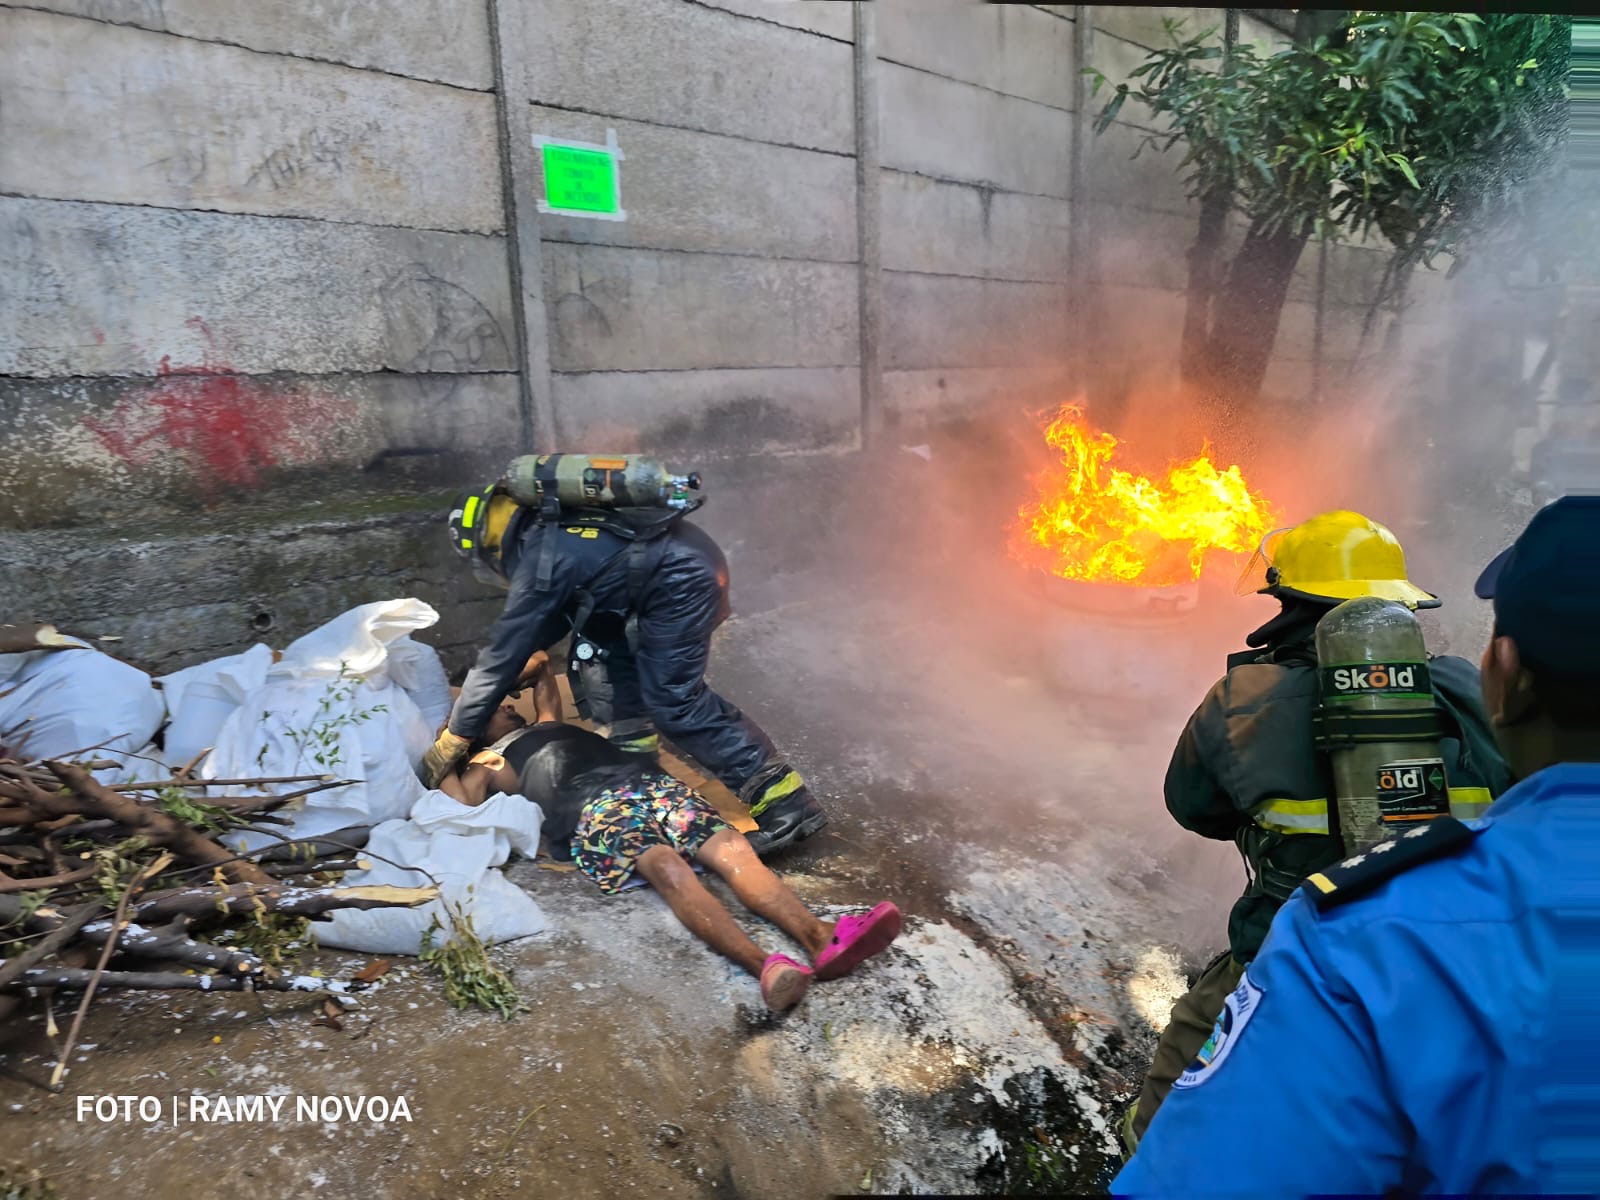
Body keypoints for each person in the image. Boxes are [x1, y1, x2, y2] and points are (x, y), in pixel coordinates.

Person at [1115, 494, 1600, 1195]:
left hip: (1279, 945)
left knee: (1175, 1084)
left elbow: (1194, 808)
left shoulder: (1244, 702)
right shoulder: (1459, 687)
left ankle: (1133, 1150)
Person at [437, 654, 901, 1012]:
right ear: (473, 728)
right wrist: (450, 733)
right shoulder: (486, 761)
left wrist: (505, 674)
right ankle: (766, 967)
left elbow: (541, 666)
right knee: (668, 867)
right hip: (594, 811)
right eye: (493, 708)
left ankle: (819, 936)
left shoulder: (546, 722)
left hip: (646, 782)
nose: (504, 706)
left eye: (501, 699)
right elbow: (455, 802)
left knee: (734, 849)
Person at [421, 474, 828, 856]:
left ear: (488, 543)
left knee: (674, 701)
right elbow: (541, 629)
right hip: (668, 575)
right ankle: (638, 774)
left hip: (680, 582)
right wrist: (505, 673)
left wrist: (456, 736)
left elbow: (502, 656)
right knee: (612, 666)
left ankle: (787, 805)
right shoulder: (549, 539)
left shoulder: (538, 560)